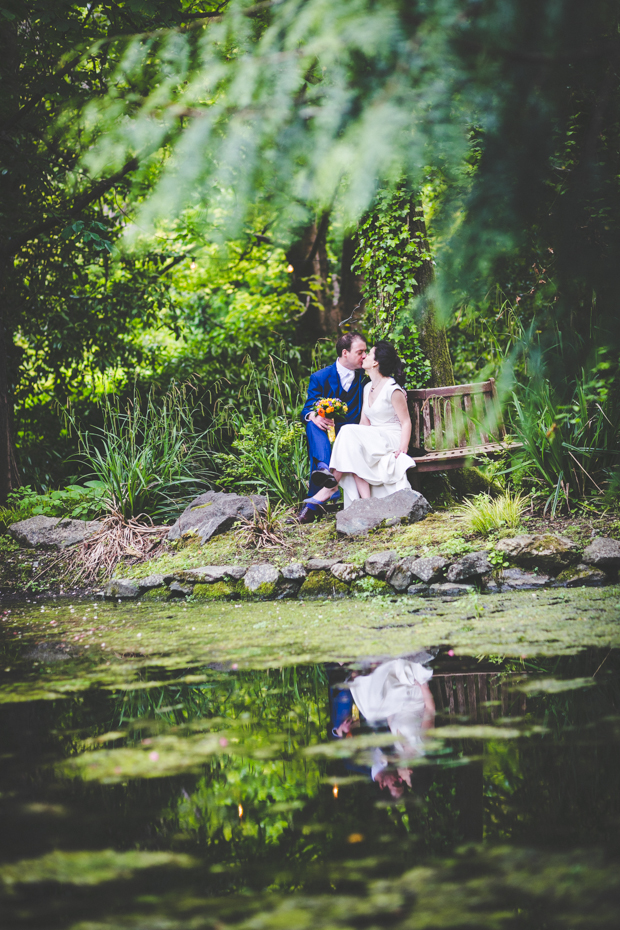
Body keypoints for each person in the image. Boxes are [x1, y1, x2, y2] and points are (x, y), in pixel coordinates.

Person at [310, 340, 416, 509]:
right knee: (353, 446)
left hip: (391, 438)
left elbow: (406, 421)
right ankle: (366, 503)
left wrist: (403, 448)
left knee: (348, 432)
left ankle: (331, 486)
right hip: (374, 438)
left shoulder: (393, 389)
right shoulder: (368, 388)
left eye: (369, 354)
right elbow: (363, 424)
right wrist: (355, 441)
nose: (364, 356)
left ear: (375, 362)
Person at [296, 332, 367, 524]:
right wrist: (313, 415)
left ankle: (322, 487)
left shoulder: (365, 376)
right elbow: (307, 408)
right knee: (313, 423)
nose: (365, 356)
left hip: (355, 431)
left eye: (366, 352)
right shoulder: (320, 377)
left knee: (318, 426)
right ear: (345, 352)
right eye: (360, 352)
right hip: (330, 431)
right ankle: (324, 469)